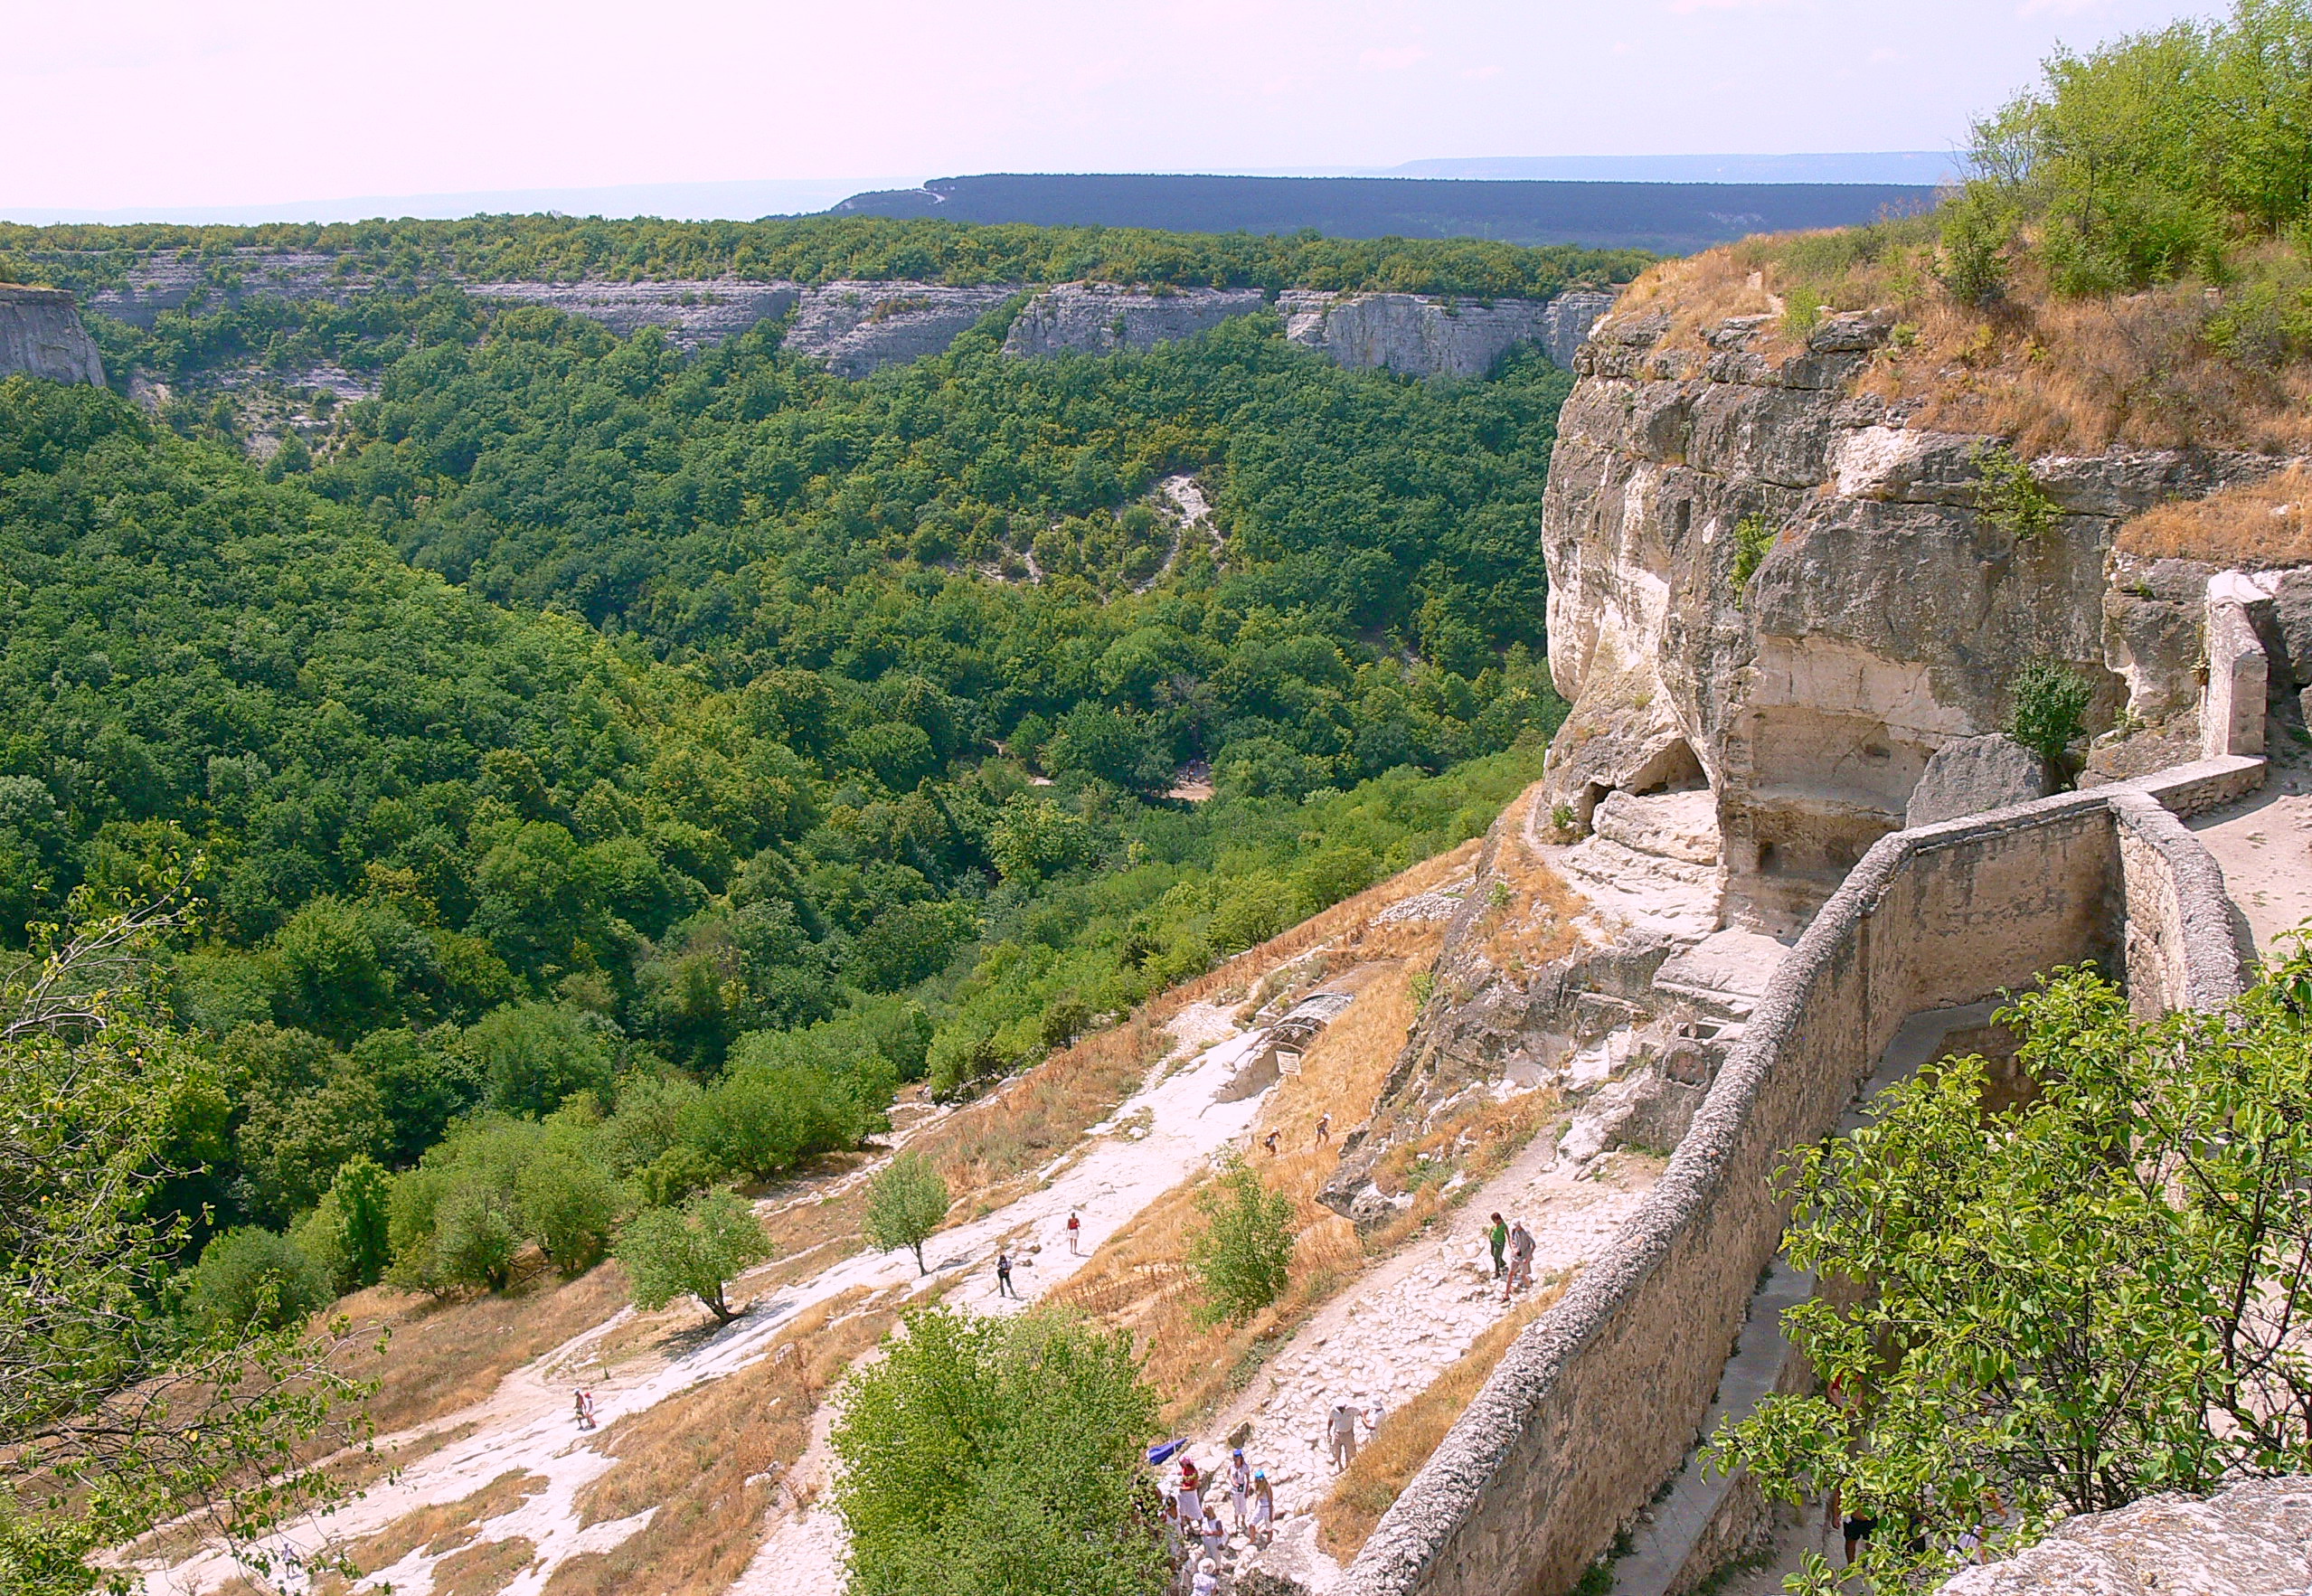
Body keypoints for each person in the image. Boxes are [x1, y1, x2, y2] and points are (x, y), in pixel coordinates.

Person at [1326, 1401, 1360, 1470]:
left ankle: (1348, 1465)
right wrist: (1328, 1431)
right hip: (1338, 1433)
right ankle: (1339, 1465)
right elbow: (1330, 1421)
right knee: (1336, 1450)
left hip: (1348, 1433)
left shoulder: (1351, 1410)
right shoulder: (1333, 1412)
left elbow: (1359, 1412)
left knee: (1350, 1451)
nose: (1341, 1409)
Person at [1228, 1449, 1251, 1532]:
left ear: (1240, 1458)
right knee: (1236, 1507)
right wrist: (1232, 1481)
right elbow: (1228, 1474)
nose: (1235, 1460)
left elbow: (1248, 1479)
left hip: (1242, 1487)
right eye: (1234, 1458)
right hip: (1234, 1488)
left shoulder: (1245, 1467)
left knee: (1243, 1506)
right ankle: (1236, 1524)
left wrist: (1247, 1490)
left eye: (1236, 1458)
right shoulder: (1231, 1465)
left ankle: (1243, 1522)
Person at [1250, 1469, 1275, 1547]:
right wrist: (1256, 1504)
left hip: (1267, 1508)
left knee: (1269, 1528)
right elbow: (1257, 1496)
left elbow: (1270, 1501)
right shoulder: (1256, 1485)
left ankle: (1269, 1541)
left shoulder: (1267, 1487)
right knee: (1251, 1523)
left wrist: (1271, 1515)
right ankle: (1252, 1539)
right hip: (1260, 1507)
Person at [1176, 1457, 1203, 1527]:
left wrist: (1182, 1488)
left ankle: (1201, 1526)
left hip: (1191, 1494)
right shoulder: (1184, 1469)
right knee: (1183, 1509)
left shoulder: (1194, 1472)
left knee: (1195, 1510)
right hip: (1183, 1494)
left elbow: (1194, 1487)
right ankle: (1189, 1525)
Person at [1486, 1212, 1508, 1280]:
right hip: (1493, 1241)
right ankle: (1502, 1263)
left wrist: (1511, 1243)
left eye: (1494, 1220)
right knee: (1493, 1253)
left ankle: (1497, 1272)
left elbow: (1507, 1234)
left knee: (1496, 1257)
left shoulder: (1503, 1225)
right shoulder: (1496, 1224)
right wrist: (1490, 1236)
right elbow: (1492, 1229)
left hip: (1500, 1243)